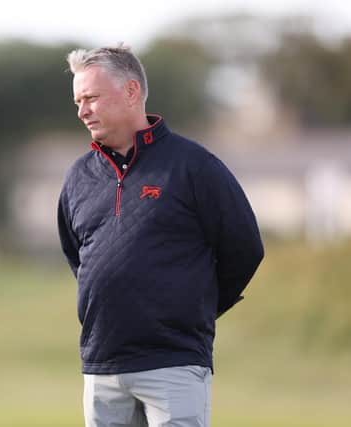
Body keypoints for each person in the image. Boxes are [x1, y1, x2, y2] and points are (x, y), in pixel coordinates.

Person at [57, 45, 264, 427]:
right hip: (102, 365)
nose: (82, 111)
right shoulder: (78, 177)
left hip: (174, 361)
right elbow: (79, 257)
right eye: (78, 101)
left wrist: (194, 305)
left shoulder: (194, 166)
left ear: (131, 92)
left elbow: (245, 249)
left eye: (91, 98)